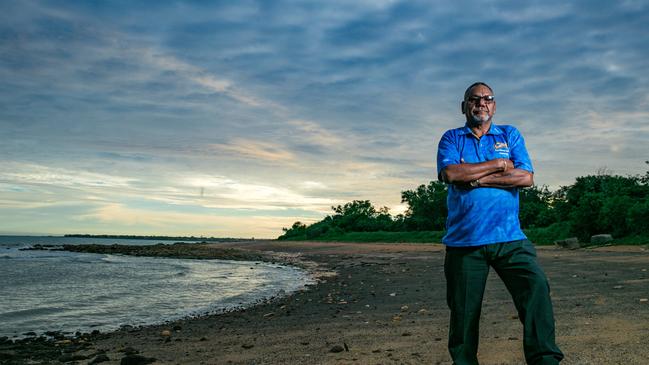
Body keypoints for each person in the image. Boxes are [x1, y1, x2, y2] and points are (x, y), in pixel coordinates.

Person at [436, 82, 564, 365]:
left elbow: (526, 178)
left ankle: (545, 359)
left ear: (494, 105)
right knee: (464, 313)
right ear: (464, 106)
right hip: (465, 243)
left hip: (510, 239)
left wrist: (478, 178)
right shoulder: (452, 138)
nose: (481, 103)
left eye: (487, 99)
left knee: (536, 289)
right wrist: (499, 164)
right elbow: (451, 173)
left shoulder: (510, 134)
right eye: (474, 99)